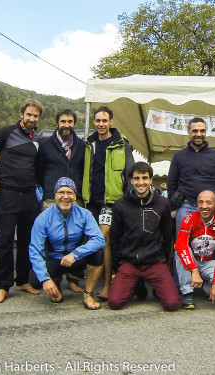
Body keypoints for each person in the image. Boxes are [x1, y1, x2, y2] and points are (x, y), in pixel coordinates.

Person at [0, 99, 43, 303]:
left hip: (29, 196)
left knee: (27, 241)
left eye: (35, 116)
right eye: (29, 115)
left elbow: (39, 168)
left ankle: (22, 280)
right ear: (22, 114)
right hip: (8, 194)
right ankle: (2, 286)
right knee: (6, 241)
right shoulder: (6, 132)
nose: (32, 119)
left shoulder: (37, 139)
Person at [108, 162, 179, 311]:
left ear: (151, 180)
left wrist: (164, 260)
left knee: (172, 304)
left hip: (155, 262)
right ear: (132, 181)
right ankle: (135, 285)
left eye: (145, 178)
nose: (141, 182)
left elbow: (168, 235)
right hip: (129, 263)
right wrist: (118, 265)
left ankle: (155, 286)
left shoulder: (163, 203)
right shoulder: (120, 205)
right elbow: (114, 238)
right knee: (114, 303)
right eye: (137, 178)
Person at [82, 106, 134, 302]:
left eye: (104, 121)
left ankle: (107, 284)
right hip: (91, 200)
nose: (101, 124)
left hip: (112, 201)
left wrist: (129, 201)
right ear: (94, 122)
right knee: (92, 239)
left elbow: (130, 174)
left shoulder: (122, 144)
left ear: (111, 121)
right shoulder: (89, 144)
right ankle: (91, 280)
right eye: (98, 121)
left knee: (103, 238)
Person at [28, 178, 105, 309]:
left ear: (75, 196)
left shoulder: (84, 214)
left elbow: (99, 239)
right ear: (55, 195)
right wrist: (45, 278)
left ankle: (87, 294)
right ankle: (54, 281)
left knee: (98, 254)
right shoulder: (43, 218)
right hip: (54, 259)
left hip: (75, 259)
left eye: (69, 193)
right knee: (35, 280)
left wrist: (75, 254)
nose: (65, 197)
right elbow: (35, 250)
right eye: (61, 192)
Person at [36, 109, 86, 293]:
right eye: (63, 121)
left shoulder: (81, 146)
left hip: (75, 197)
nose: (67, 125)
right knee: (51, 239)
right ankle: (54, 277)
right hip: (51, 197)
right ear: (57, 123)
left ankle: (74, 278)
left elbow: (82, 170)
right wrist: (49, 188)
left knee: (77, 238)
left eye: (70, 121)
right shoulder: (46, 145)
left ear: (74, 124)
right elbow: (39, 171)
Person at [175, 190, 215, 309]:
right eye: (201, 202)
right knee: (179, 251)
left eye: (208, 203)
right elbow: (180, 245)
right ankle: (187, 293)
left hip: (210, 263)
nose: (204, 206)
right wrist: (193, 269)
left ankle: (208, 289)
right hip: (193, 261)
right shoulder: (189, 218)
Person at [167, 117, 215, 231]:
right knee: (183, 246)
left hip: (211, 208)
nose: (199, 134)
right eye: (195, 131)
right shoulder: (178, 156)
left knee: (214, 246)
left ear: (205, 132)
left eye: (202, 131)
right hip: (185, 207)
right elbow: (171, 181)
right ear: (189, 133)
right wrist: (173, 205)